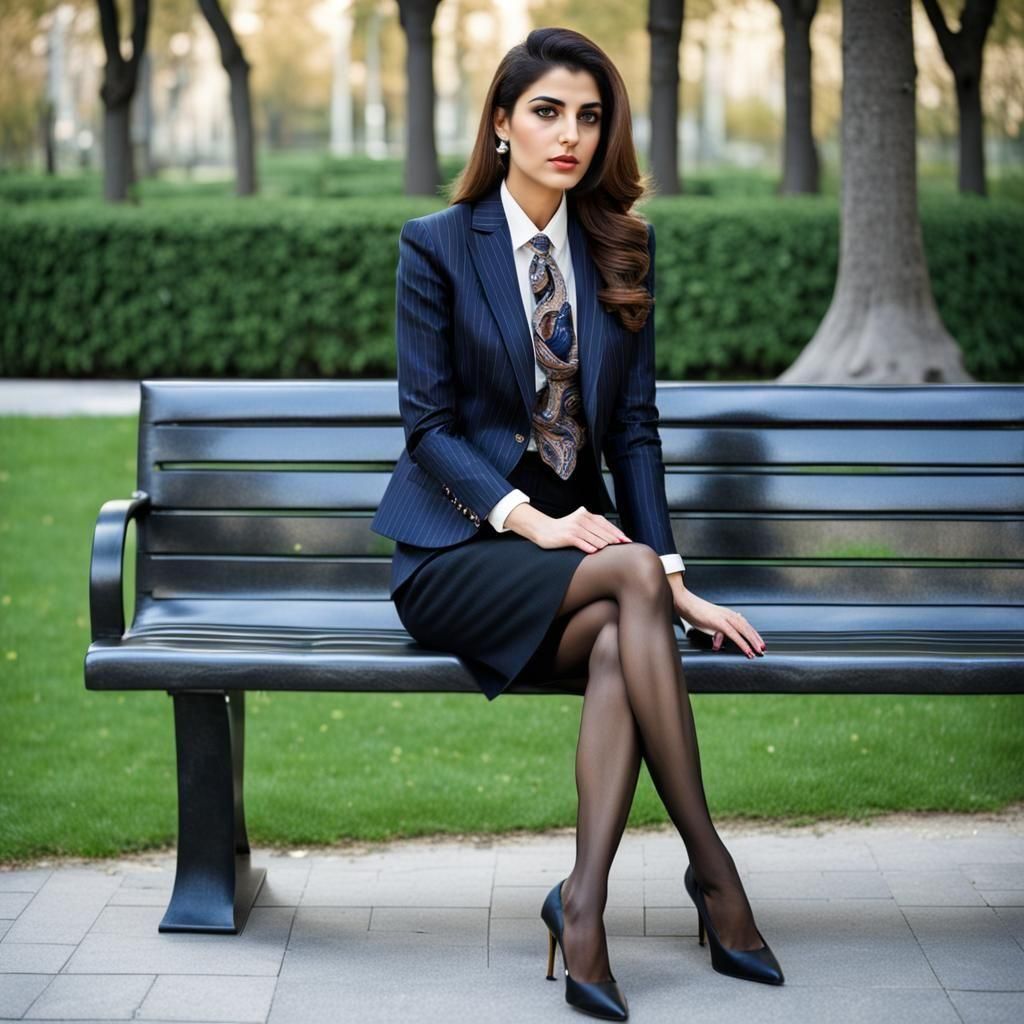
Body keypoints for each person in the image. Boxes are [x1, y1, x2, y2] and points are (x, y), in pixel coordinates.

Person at [370, 26, 783, 1020]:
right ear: (503, 124)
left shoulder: (621, 246)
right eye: (547, 111)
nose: (569, 135)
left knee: (625, 631)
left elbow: (633, 430)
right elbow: (427, 427)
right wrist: (530, 522)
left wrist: (671, 574)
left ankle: (584, 904)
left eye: (588, 116)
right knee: (630, 583)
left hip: (592, 568)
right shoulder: (437, 244)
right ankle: (714, 873)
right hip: (457, 551)